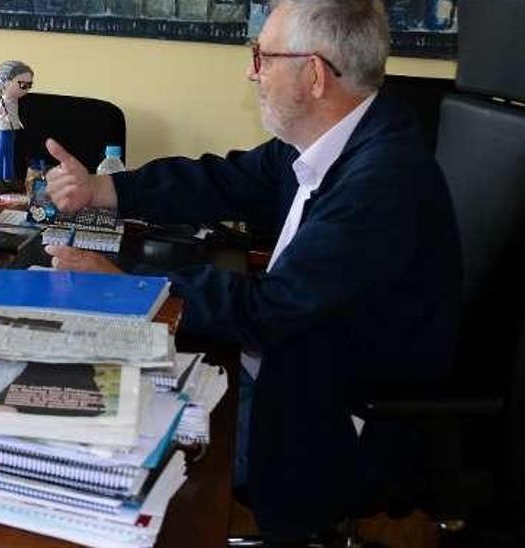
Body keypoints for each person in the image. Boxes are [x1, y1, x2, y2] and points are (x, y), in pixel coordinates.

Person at [43, 0, 461, 538]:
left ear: (312, 74)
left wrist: (131, 290)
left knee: (102, 458)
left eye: (262, 55)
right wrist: (105, 189)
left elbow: (267, 310)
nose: (251, 71)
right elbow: (226, 180)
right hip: (292, 367)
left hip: (322, 416)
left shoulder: (382, 183)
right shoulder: (339, 139)